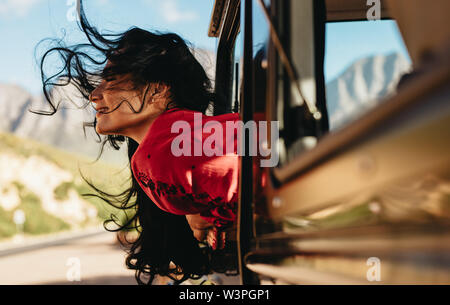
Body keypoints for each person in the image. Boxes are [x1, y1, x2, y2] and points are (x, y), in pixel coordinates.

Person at [35, 1, 239, 284]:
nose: (95, 94)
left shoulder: (156, 158)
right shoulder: (182, 140)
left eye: (111, 79)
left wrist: (205, 215)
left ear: (157, 89)